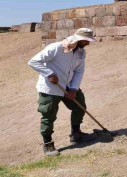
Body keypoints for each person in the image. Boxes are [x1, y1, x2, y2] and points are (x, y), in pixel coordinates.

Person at [28, 28, 97, 157]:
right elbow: (33, 61)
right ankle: (48, 144)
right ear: (80, 39)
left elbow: (79, 71)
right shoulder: (56, 48)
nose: (88, 43)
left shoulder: (81, 52)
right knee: (48, 115)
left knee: (79, 106)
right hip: (50, 88)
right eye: (87, 41)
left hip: (69, 86)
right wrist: (49, 74)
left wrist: (74, 89)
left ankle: (76, 134)